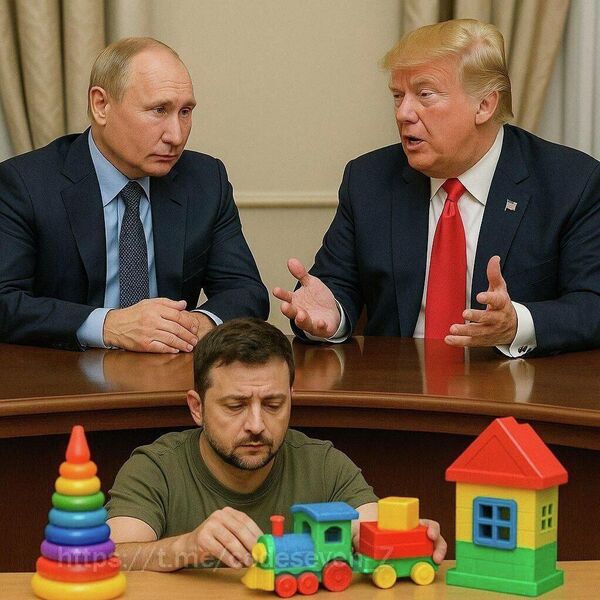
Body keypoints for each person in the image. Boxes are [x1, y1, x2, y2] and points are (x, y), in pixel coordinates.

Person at [273, 19, 600, 357]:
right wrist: (334, 315)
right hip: (396, 383)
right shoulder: (369, 180)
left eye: (424, 95)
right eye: (398, 96)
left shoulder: (570, 183)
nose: (404, 113)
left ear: (484, 105)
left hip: (513, 381)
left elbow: (593, 304)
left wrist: (518, 324)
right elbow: (334, 285)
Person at [105, 318, 446, 570]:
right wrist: (185, 547)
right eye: (235, 406)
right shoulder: (155, 468)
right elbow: (107, 558)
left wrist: (407, 541)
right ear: (197, 407)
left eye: (273, 405)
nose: (256, 425)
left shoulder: (325, 466)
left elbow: (374, 530)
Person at [0, 37, 268, 352]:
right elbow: (5, 302)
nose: (176, 136)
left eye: (185, 112)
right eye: (159, 110)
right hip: (64, 372)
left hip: (170, 369)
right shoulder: (25, 184)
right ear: (101, 105)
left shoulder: (205, 180)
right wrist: (108, 325)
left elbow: (247, 292)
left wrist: (197, 324)